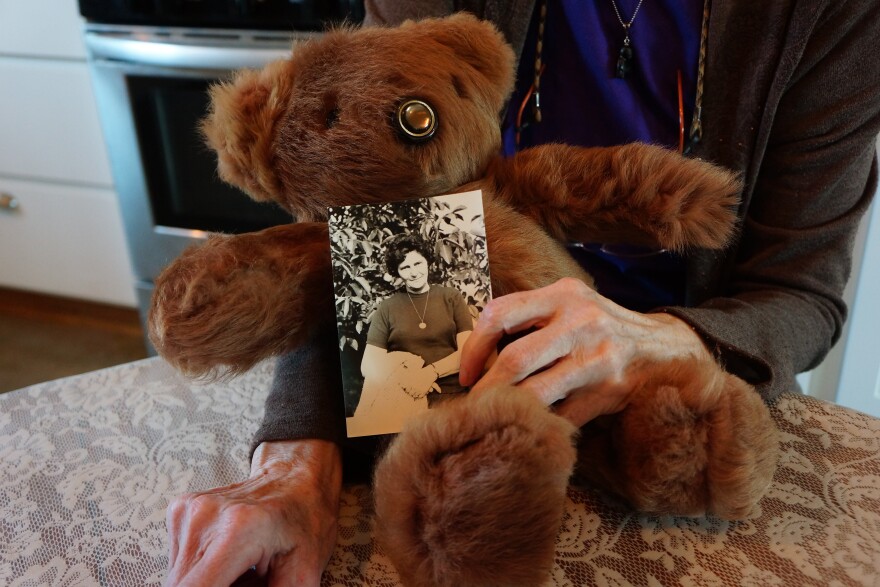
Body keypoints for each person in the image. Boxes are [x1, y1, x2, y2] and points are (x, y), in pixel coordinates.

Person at [163, 1, 880, 585]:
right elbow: (367, 211)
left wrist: (651, 337)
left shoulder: (833, 15)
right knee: (460, 496)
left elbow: (799, 291)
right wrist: (298, 465)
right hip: (443, 353)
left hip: (667, 359)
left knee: (685, 442)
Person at [347, 233, 473, 436]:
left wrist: (430, 373)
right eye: (405, 267)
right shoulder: (387, 308)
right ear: (397, 272)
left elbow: (469, 350)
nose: (414, 272)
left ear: (428, 262)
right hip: (405, 400)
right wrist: (410, 377)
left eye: (418, 263)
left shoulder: (451, 298)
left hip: (452, 397)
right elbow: (368, 365)